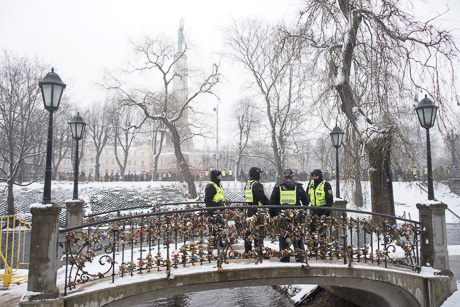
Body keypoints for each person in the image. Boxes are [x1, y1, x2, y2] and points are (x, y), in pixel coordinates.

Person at [269, 169, 308, 262]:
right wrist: (303, 211)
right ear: (293, 176)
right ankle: (299, 255)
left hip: (282, 215)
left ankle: (285, 256)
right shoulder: (298, 186)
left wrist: (273, 214)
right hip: (296, 215)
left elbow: (272, 202)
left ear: (283, 177)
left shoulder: (278, 186)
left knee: (283, 236)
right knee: (297, 235)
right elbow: (306, 200)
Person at [244, 167, 270, 254]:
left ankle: (248, 248)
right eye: (259, 174)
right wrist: (269, 204)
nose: (260, 175)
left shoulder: (248, 184)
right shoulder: (256, 185)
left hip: (250, 209)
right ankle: (257, 249)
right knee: (258, 230)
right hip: (257, 210)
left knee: (250, 229)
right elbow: (261, 197)